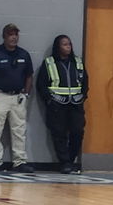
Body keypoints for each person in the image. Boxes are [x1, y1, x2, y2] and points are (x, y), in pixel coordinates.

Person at [0, 24, 34, 174]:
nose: (14, 37)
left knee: (19, 130)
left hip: (18, 96)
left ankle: (19, 162)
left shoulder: (24, 54)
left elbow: (29, 75)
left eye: (16, 34)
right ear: (4, 36)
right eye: (11, 34)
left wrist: (26, 93)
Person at [36, 34, 88, 174]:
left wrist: (83, 96)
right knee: (59, 134)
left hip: (76, 105)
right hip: (57, 105)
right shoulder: (49, 63)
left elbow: (85, 83)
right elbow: (41, 84)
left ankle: (71, 160)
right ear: (57, 47)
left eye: (69, 44)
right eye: (64, 44)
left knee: (78, 132)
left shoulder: (78, 62)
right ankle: (64, 162)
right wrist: (49, 100)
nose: (68, 47)